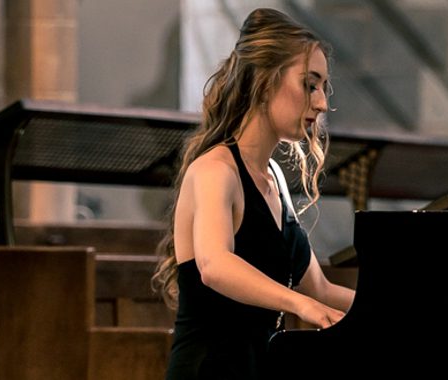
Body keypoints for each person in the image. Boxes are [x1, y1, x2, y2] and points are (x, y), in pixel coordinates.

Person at [150, 7, 355, 380]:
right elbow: (215, 265)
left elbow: (320, 289)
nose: (322, 103)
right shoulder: (215, 171)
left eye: (323, 88)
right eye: (309, 85)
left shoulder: (274, 177)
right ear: (264, 83)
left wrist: (408, 310)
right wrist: (299, 305)